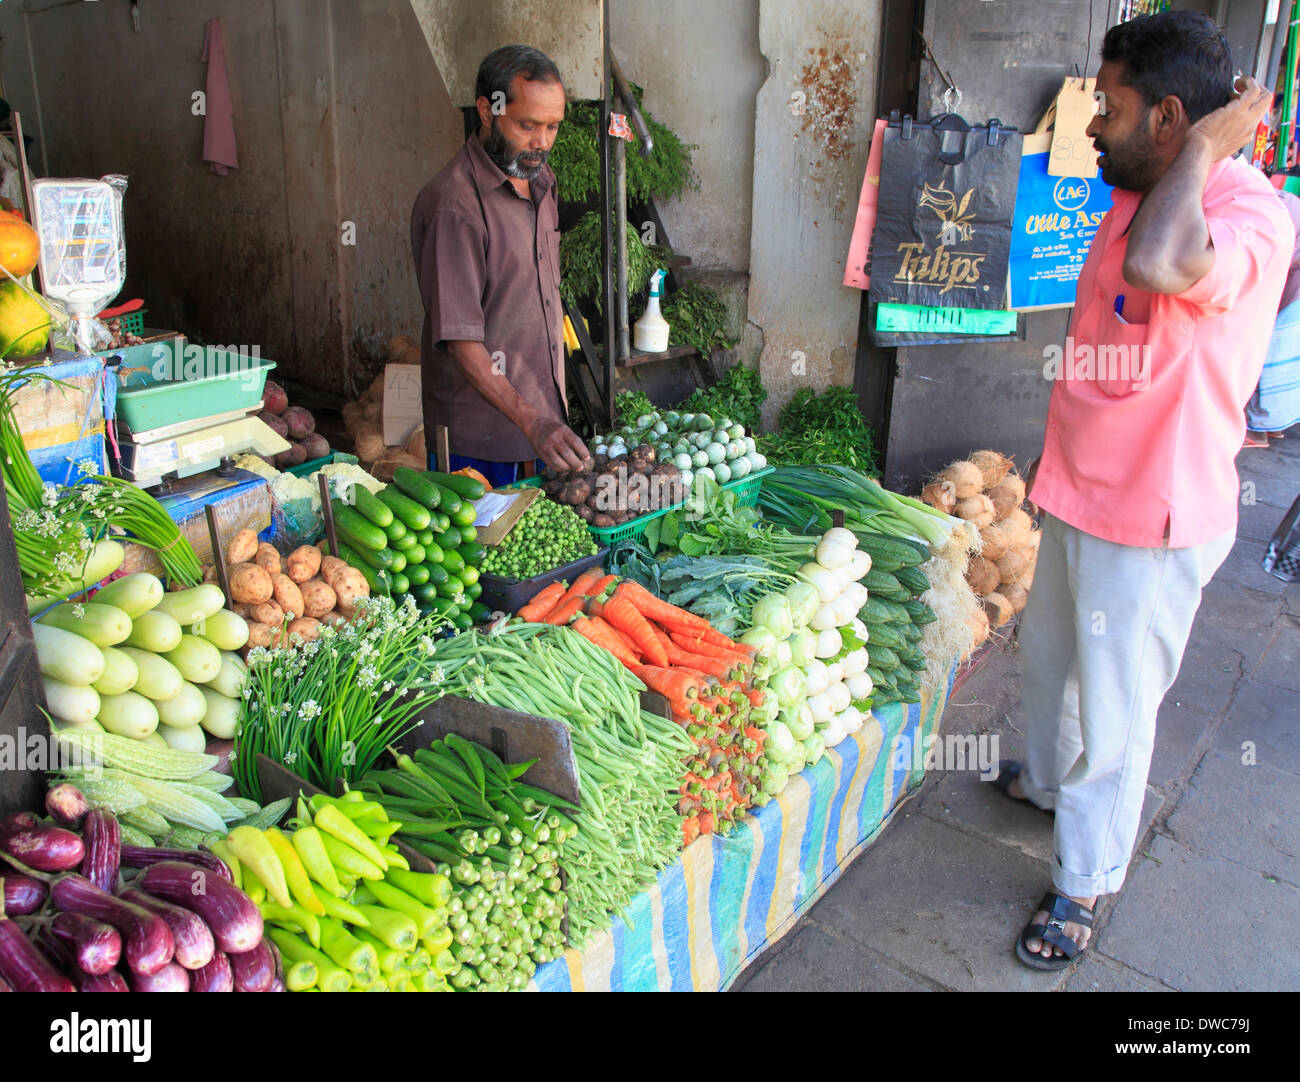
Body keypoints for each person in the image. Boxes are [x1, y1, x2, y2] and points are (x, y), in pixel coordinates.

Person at [998, 11, 1294, 971]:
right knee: (1048, 670)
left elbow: (1162, 269)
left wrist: (1208, 151)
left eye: (1112, 106)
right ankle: (1046, 785)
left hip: (1153, 520)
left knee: (1119, 713)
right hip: (1078, 488)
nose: (1090, 122)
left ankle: (1083, 884)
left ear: (1172, 118)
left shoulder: (1243, 213)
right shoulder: (1135, 185)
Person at [410, 45, 591, 487]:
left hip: (541, 429)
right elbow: (461, 339)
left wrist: (543, 422)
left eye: (552, 127)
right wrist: (533, 422)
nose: (542, 142)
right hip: (479, 444)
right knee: (483, 552)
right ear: (486, 111)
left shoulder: (541, 182)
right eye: (527, 125)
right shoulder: (456, 205)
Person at [1244, 188, 1300, 444]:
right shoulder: (1282, 204)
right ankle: (1274, 425)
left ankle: (1258, 429)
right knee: (1285, 362)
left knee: (1271, 356)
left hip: (1289, 292)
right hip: (1291, 291)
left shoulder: (1274, 206)